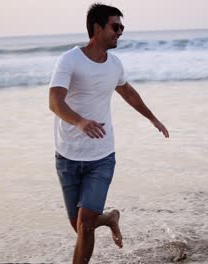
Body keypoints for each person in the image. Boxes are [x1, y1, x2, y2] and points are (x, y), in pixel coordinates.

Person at [48, 4, 169, 264]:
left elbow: (128, 93)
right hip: (67, 156)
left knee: (85, 226)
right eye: (116, 27)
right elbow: (55, 102)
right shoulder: (70, 60)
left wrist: (153, 118)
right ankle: (110, 217)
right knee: (80, 225)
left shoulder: (114, 64)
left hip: (102, 157)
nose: (120, 32)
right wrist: (79, 122)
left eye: (122, 28)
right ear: (97, 28)